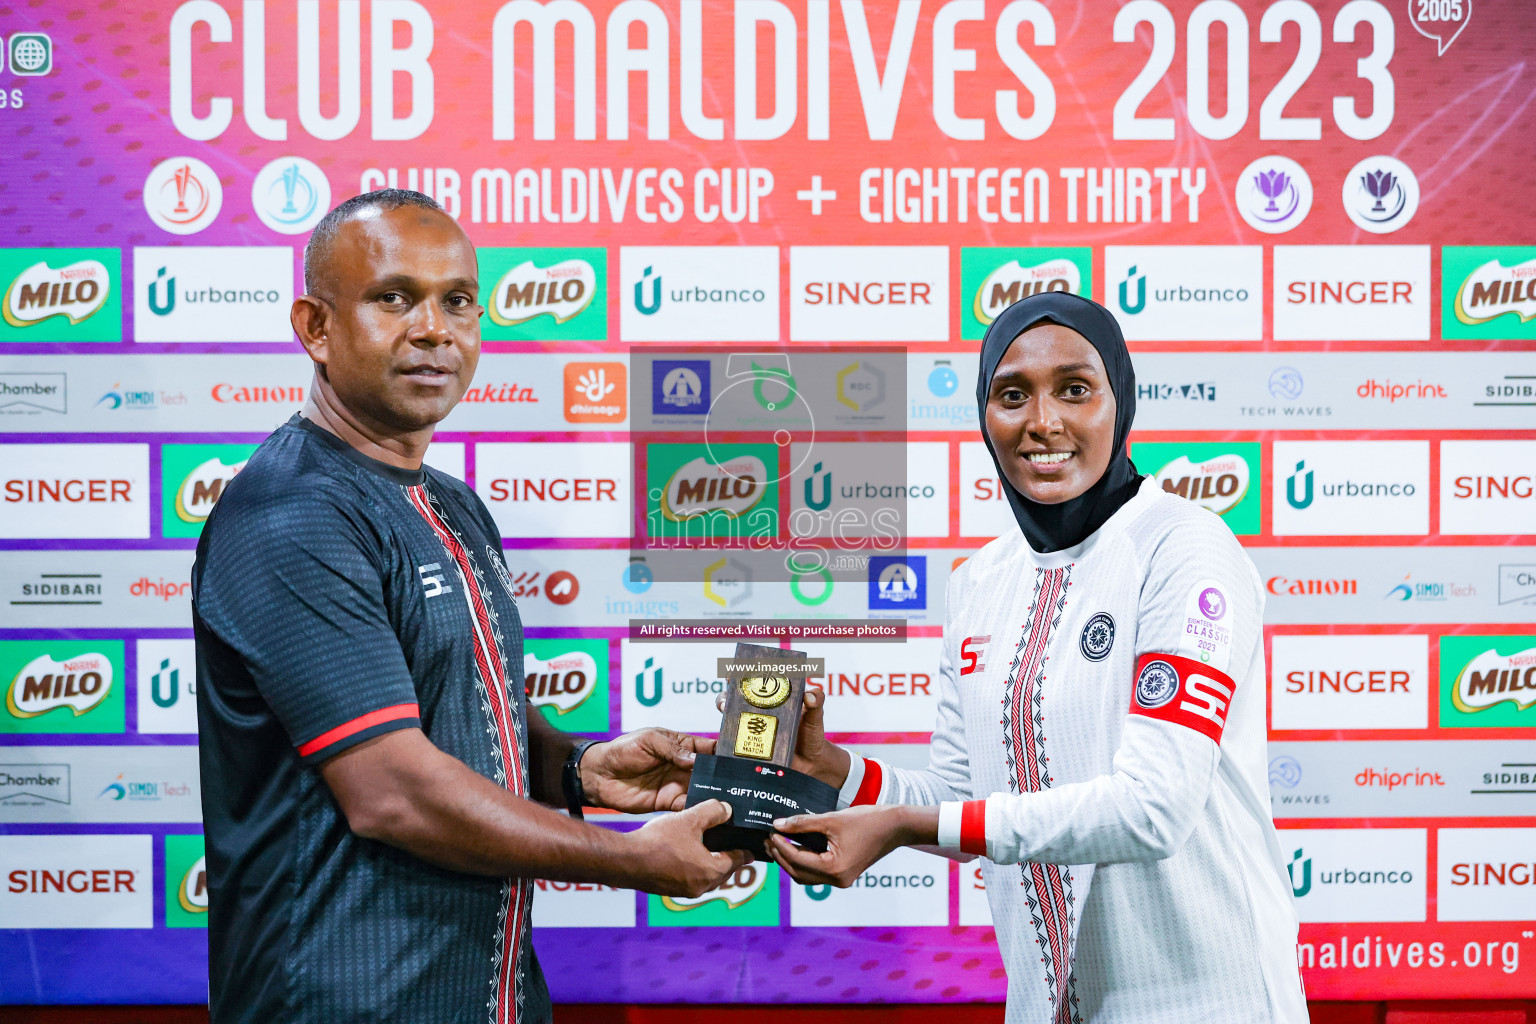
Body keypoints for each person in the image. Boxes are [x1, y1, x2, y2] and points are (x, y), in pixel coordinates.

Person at [191, 189, 748, 1024]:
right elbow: (392, 791)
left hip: (484, 994)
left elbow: (449, 708)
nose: (434, 330)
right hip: (343, 1004)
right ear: (314, 327)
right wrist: (635, 861)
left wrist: (577, 768)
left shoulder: (452, 504)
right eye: (394, 298)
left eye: (456, 302)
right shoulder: (293, 514)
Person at [771, 293, 1309, 1023]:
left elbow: (1153, 809)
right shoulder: (979, 581)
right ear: (984, 416)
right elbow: (960, 797)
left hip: (1208, 1001)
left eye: (1076, 389)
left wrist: (902, 828)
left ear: (1122, 403)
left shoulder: (1184, 548)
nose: (1043, 422)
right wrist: (832, 771)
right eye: (1012, 394)